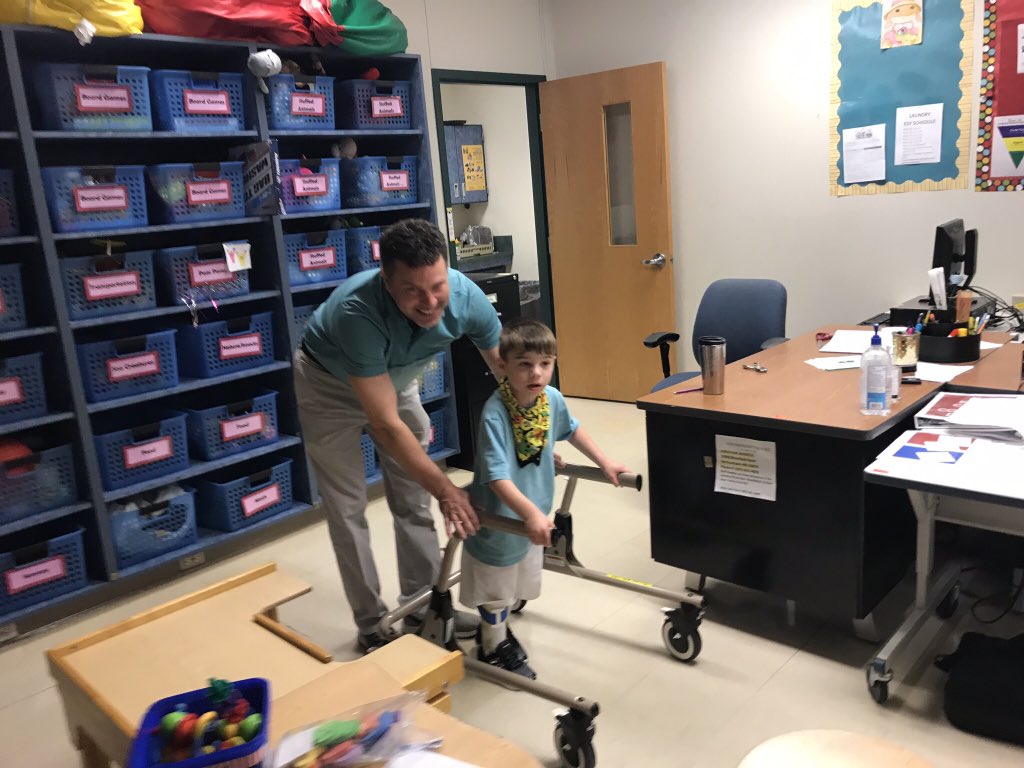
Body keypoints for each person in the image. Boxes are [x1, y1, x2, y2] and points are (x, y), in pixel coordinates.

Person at [295, 218, 502, 653]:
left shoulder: (466, 297)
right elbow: (386, 425)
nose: (429, 302)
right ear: (386, 281)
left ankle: (423, 605)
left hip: (395, 377)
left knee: (413, 498)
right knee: (347, 507)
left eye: (437, 286)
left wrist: (535, 435)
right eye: (412, 290)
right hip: (328, 385)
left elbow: (508, 373)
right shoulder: (358, 312)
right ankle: (371, 623)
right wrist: (447, 489)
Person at [459, 319, 630, 678]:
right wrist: (530, 515)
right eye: (524, 364)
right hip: (501, 519)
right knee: (496, 588)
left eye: (545, 363)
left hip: (532, 515)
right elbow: (497, 477)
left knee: (517, 579)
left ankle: (498, 631)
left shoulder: (550, 399)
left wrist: (604, 462)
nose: (536, 373)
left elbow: (572, 429)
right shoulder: (495, 413)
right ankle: (490, 647)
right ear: (503, 365)